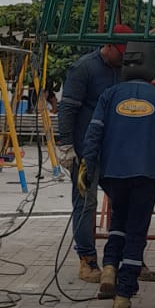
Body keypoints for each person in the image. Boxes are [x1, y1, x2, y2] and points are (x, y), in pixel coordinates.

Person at [81, 43, 155, 308]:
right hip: (146, 174)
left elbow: (94, 133)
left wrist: (88, 167)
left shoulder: (110, 94)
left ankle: (109, 267)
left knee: (118, 222)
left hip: (114, 174)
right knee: (136, 231)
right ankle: (124, 294)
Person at [56, 25, 133, 282]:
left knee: (126, 202)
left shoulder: (123, 70)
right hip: (85, 150)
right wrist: (66, 145)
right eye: (119, 52)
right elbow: (67, 109)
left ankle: (129, 257)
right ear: (107, 46)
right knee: (85, 203)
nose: (122, 58)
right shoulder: (83, 69)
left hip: (116, 149)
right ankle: (87, 260)